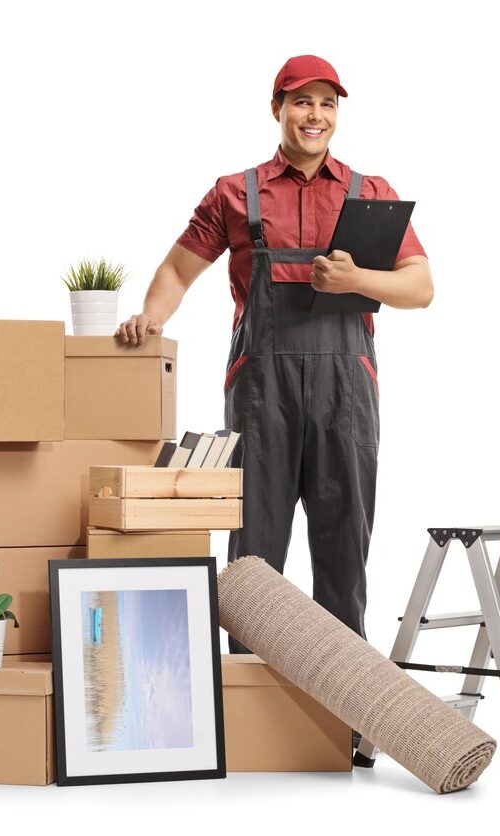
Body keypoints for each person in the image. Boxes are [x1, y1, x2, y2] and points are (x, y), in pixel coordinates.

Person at [116, 55, 432, 652]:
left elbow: (420, 287)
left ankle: (343, 715)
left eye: (327, 103)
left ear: (337, 113)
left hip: (347, 392)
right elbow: (178, 270)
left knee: (344, 547)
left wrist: (356, 281)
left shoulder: (372, 194)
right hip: (263, 393)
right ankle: (249, 708)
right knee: (255, 553)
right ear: (277, 109)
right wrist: (150, 317)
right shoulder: (236, 193)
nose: (315, 115)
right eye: (302, 101)